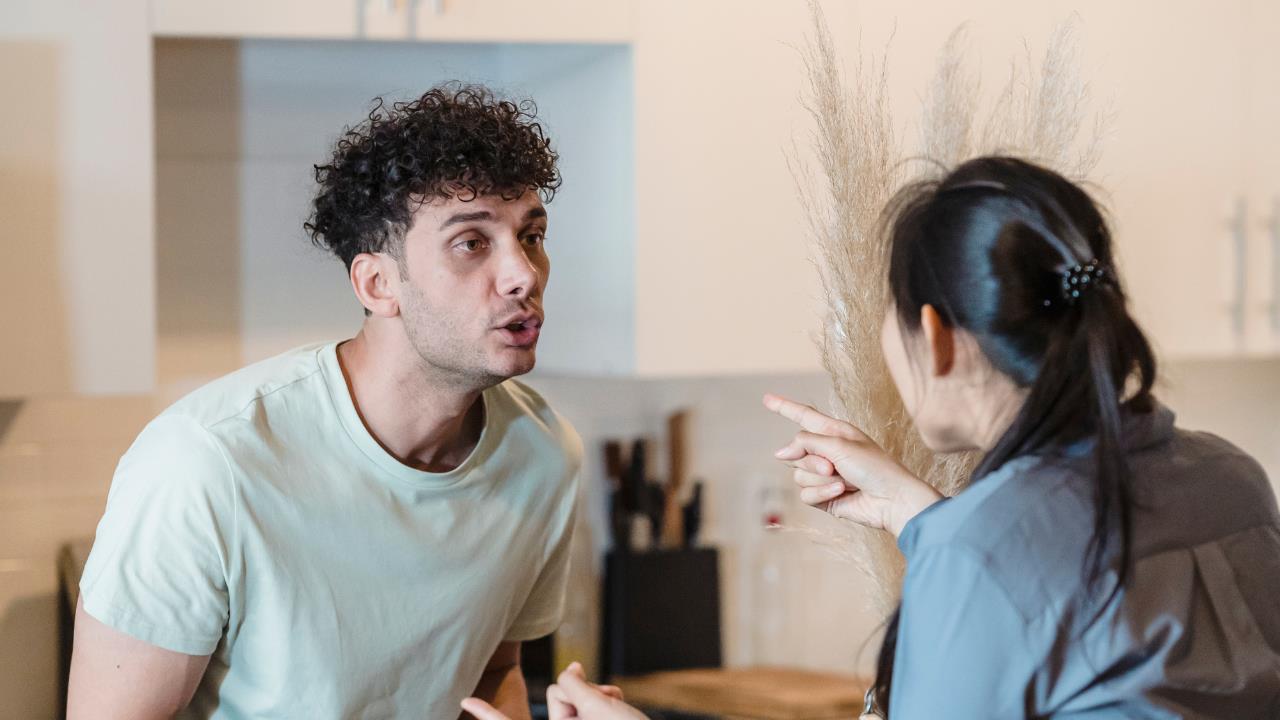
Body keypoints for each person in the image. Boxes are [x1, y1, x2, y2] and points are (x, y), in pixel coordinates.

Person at [465, 156, 1280, 720]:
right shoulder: (1230, 478)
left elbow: (1019, 575)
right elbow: (1073, 615)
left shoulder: (985, 553)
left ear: (935, 333)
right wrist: (918, 512)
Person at [67, 85, 583, 720]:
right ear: (377, 283)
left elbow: (493, 670)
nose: (525, 275)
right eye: (472, 242)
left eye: (531, 236)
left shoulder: (544, 454)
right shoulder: (205, 463)